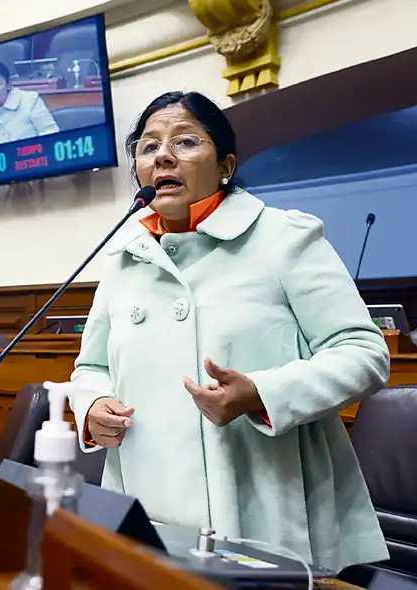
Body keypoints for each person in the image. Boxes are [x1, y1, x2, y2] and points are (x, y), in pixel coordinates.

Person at [68, 91, 391, 573]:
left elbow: (364, 352)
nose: (163, 157)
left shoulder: (284, 238)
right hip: (142, 504)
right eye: (148, 146)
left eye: (185, 141)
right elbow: (90, 367)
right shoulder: (123, 259)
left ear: (226, 165)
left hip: (257, 506)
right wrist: (92, 406)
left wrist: (261, 393)